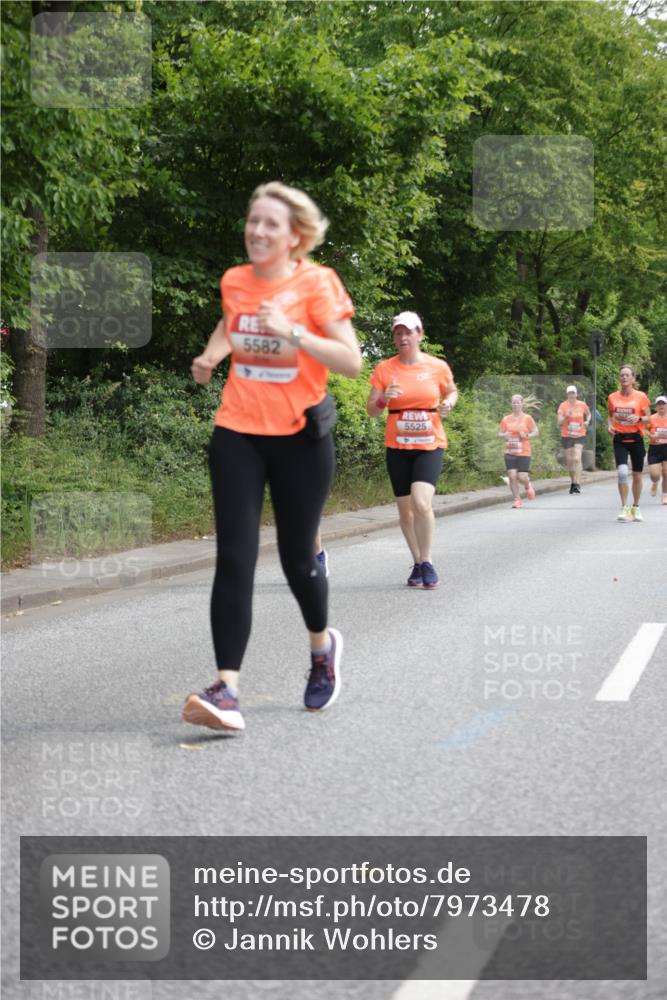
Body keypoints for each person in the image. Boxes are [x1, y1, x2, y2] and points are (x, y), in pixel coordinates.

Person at [183, 181, 362, 732]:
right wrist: (214, 353)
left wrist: (297, 333)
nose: (257, 231)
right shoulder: (235, 280)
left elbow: (351, 361)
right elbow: (231, 320)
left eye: (270, 224)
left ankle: (320, 648)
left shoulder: (317, 283)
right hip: (237, 429)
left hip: (300, 438)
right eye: (252, 220)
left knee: (296, 559)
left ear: (294, 237)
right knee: (234, 557)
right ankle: (227, 689)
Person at [367, 312, 457, 589]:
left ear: (420, 333)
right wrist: (383, 399)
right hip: (397, 446)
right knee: (405, 513)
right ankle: (417, 561)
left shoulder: (437, 366)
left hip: (430, 444)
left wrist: (449, 403)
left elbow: (451, 391)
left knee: (421, 502)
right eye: (398, 333)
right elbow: (371, 411)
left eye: (408, 332)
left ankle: (427, 560)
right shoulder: (385, 368)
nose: (403, 337)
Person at [607, 364, 651, 522]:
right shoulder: (613, 397)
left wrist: (639, 418)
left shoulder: (641, 397)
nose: (624, 377)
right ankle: (624, 507)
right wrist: (610, 426)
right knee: (622, 472)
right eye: (622, 375)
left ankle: (636, 507)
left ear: (633, 378)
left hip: (636, 438)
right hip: (620, 439)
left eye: (627, 375)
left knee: (637, 475)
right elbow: (610, 415)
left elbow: (649, 417)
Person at [498, 395, 539, 508]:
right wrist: (504, 435)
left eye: (517, 402)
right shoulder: (506, 419)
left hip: (524, 451)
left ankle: (527, 485)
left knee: (522, 477)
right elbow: (499, 434)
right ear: (511, 404)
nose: (515, 404)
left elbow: (536, 431)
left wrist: (527, 435)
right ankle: (517, 499)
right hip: (510, 451)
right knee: (511, 476)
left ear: (522, 404)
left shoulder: (527, 418)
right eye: (513, 402)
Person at [557, 385, 591, 494]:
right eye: (569, 393)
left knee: (577, 458)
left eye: (573, 393)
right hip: (567, 435)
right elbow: (559, 422)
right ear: (567, 395)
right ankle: (572, 482)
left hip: (579, 434)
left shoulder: (582, 404)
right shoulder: (563, 406)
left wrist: (587, 421)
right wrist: (566, 416)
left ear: (576, 394)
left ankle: (578, 483)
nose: (571, 395)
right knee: (570, 460)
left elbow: (588, 414)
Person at [645, 394, 667, 504]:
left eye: (663, 403)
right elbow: (644, 429)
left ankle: (664, 494)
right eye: (659, 404)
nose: (661, 405)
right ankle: (655, 482)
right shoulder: (652, 418)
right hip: (655, 448)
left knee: (666, 472)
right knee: (654, 475)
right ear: (656, 406)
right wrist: (650, 435)